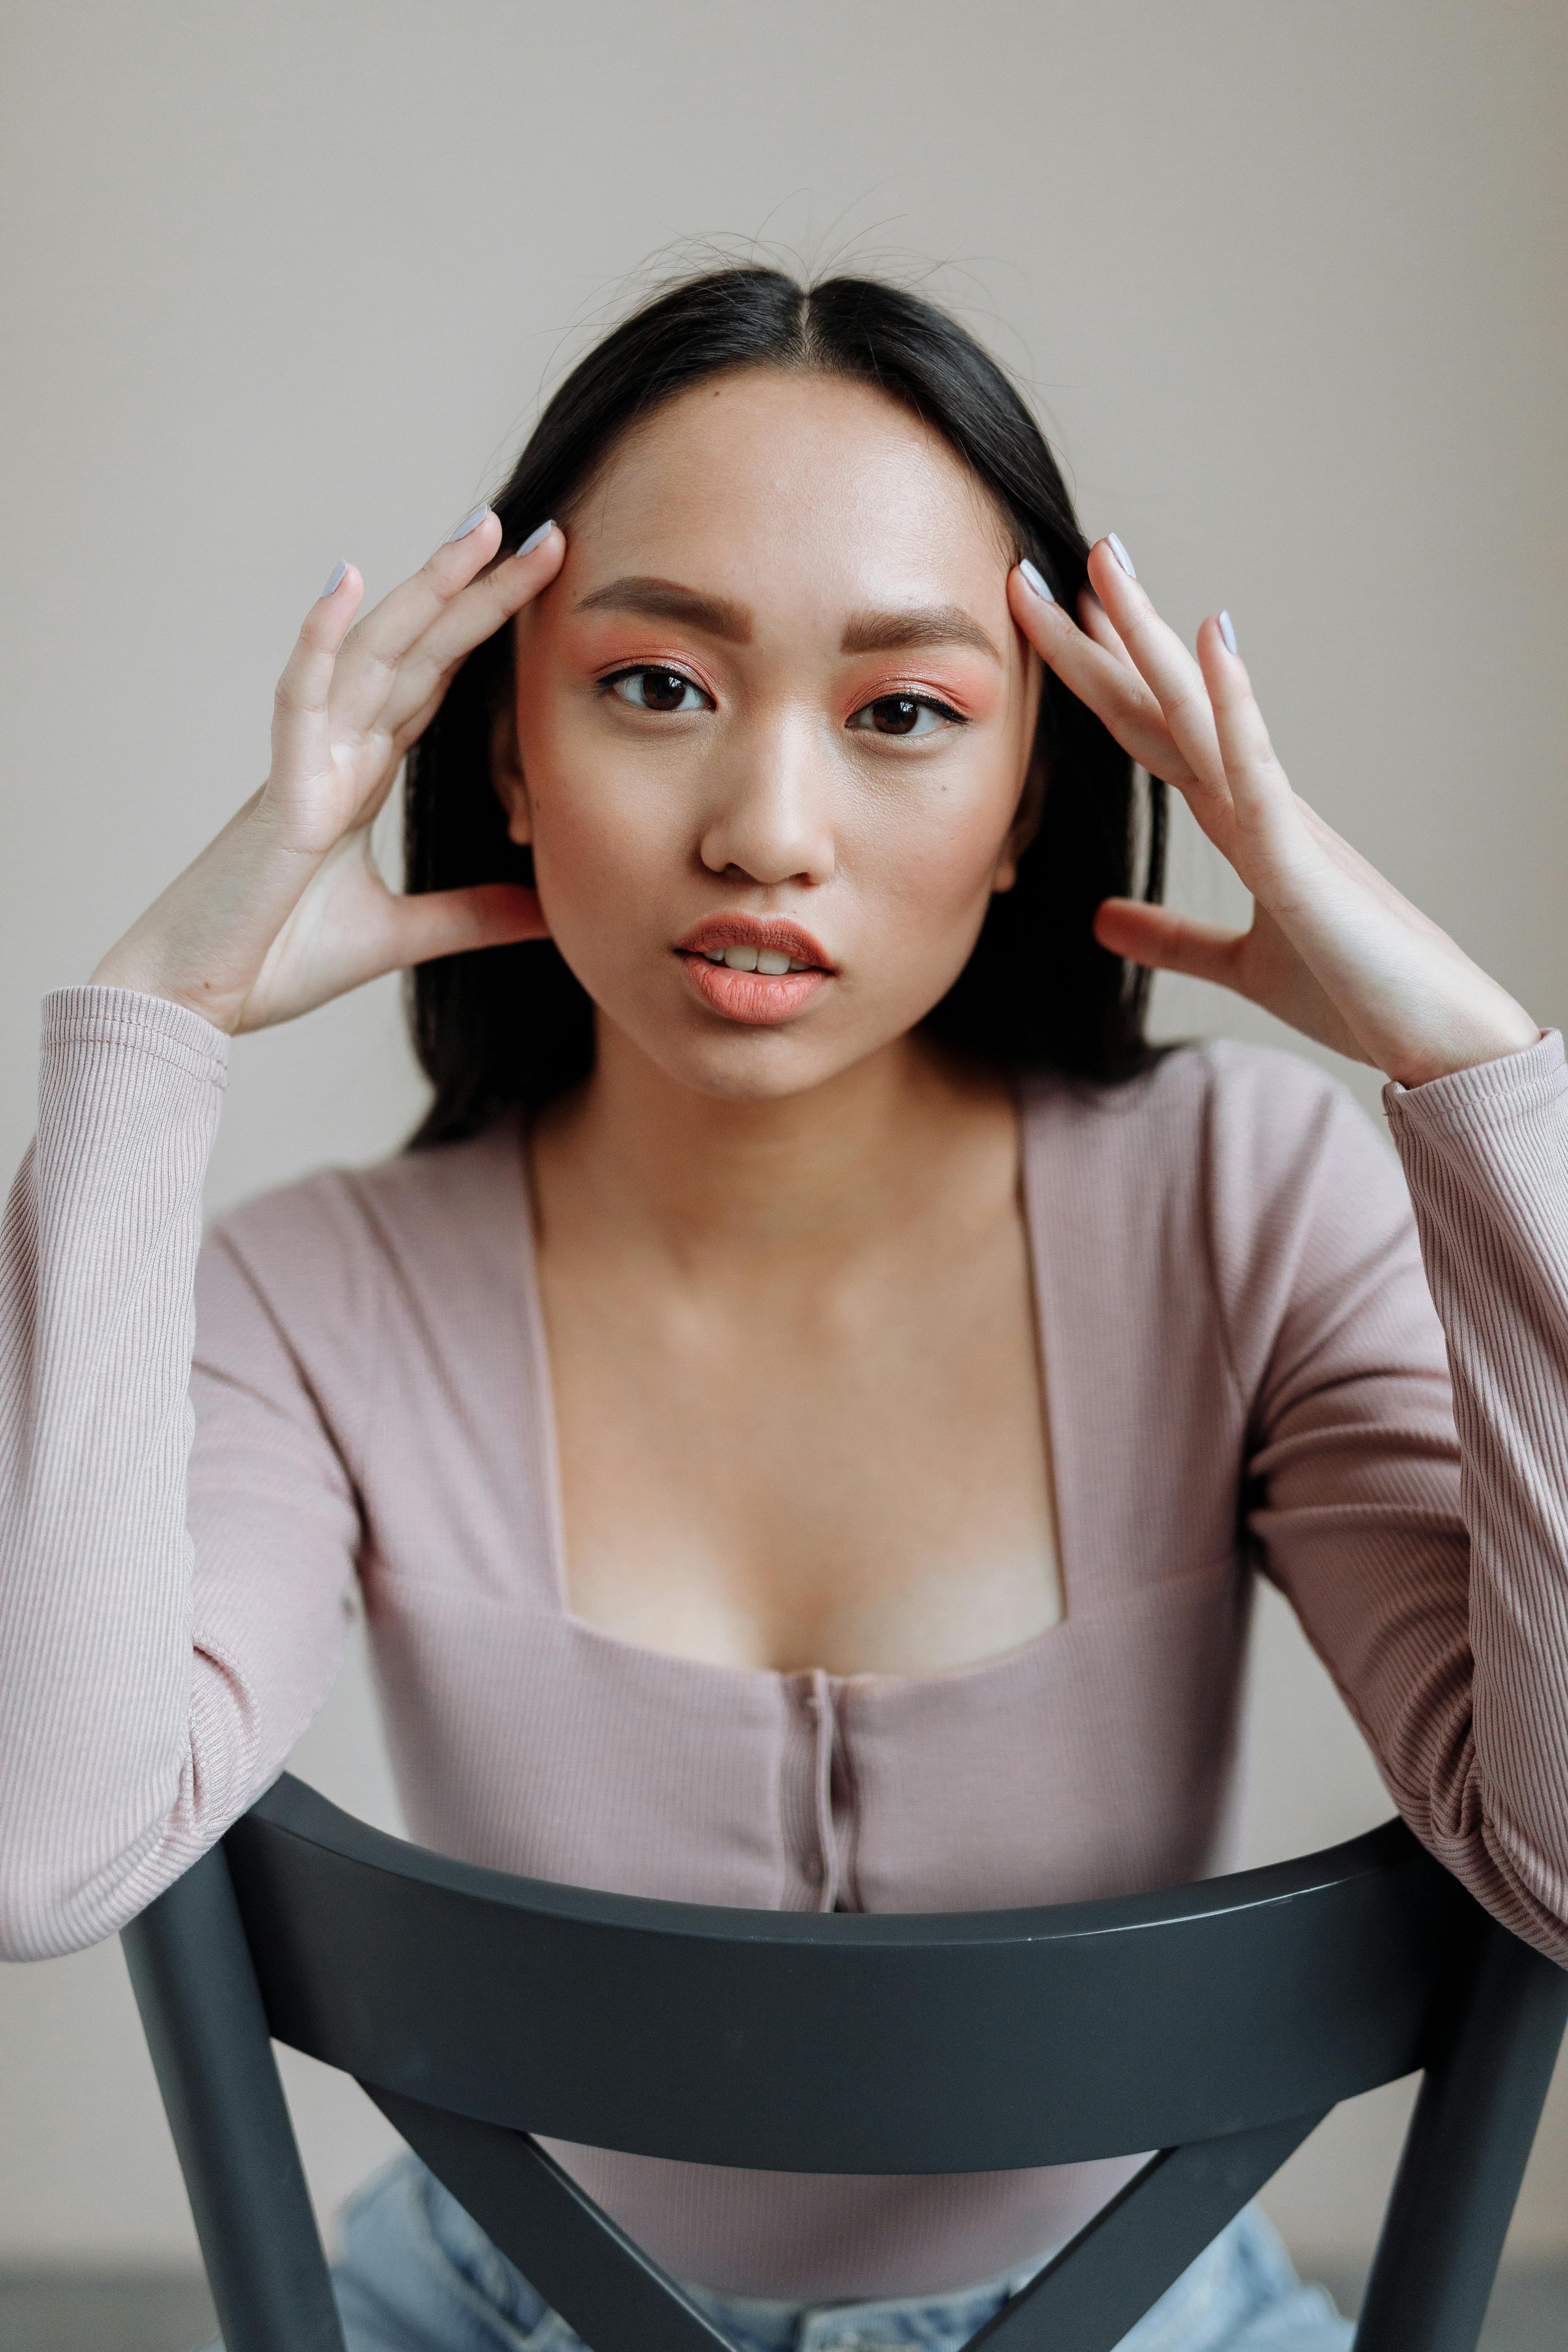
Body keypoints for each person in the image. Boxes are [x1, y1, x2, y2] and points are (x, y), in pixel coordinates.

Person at [2, 266, 1564, 2352]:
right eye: (656, 686)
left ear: (1031, 800)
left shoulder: (1245, 1215)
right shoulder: (316, 1301)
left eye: (905, 712)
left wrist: (1473, 1069)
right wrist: (145, 1039)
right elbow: (46, 1846)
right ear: (508, 746)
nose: (764, 831)